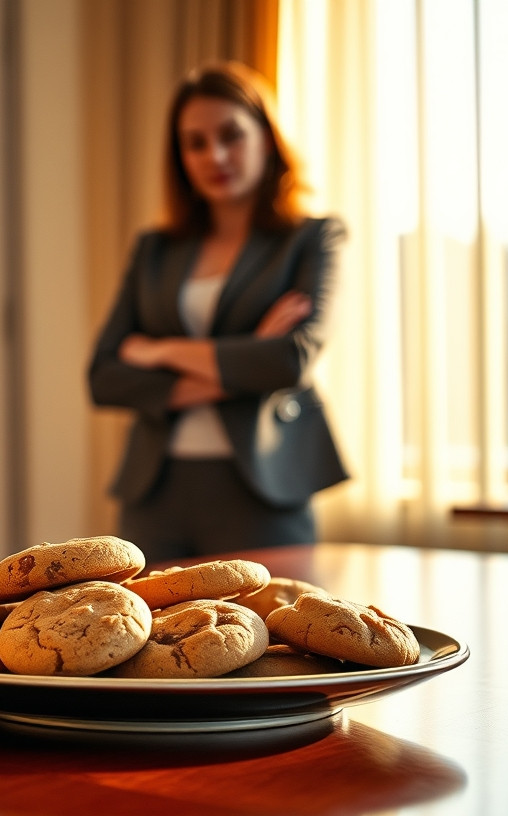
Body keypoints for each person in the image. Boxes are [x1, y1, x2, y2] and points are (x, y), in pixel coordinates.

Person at [88, 61, 348, 562]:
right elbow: (103, 377)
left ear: (267, 139)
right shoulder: (154, 249)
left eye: (232, 135)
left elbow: (291, 360)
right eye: (196, 143)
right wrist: (247, 358)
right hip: (155, 495)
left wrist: (159, 350)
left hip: (262, 490)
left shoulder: (311, 238)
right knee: (150, 637)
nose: (216, 155)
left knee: (271, 639)